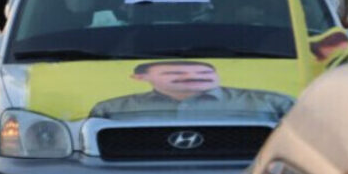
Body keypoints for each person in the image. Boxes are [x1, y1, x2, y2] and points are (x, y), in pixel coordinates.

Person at [90, 60, 294, 120]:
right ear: (140, 78)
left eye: (205, 73)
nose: (193, 77)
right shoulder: (110, 109)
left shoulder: (275, 103)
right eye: (174, 73)